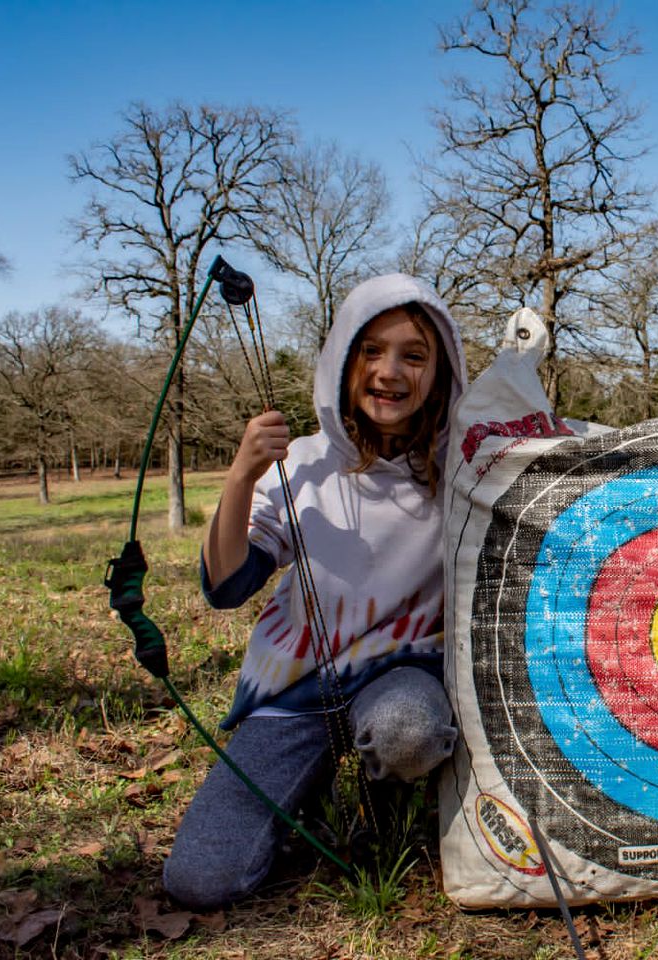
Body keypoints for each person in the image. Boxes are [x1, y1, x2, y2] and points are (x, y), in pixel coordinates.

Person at [162, 274, 466, 910]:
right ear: (342, 359)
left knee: (407, 730)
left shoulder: (466, 463)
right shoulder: (300, 460)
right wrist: (243, 474)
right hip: (298, 688)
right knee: (200, 880)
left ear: (441, 372)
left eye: (414, 355)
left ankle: (389, 803)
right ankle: (316, 787)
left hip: (400, 676)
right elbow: (227, 585)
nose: (390, 372)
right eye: (371, 351)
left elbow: (574, 442)